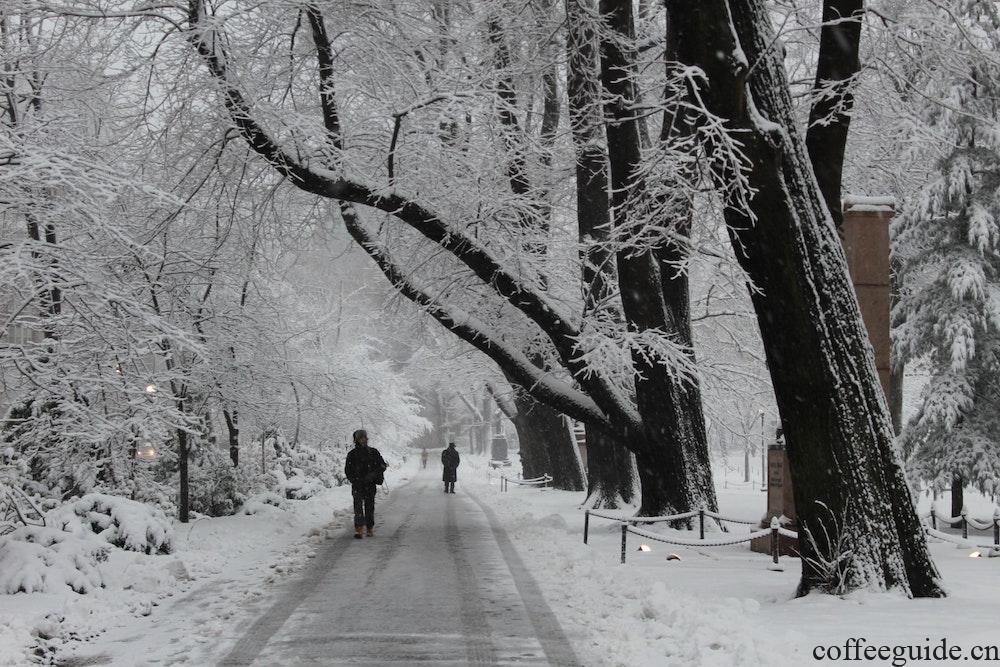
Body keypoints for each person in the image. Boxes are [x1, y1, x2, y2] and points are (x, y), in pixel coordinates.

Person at [344, 429, 387, 538]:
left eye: (365, 437)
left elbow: (382, 466)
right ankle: (358, 529)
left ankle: (369, 528)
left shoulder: (373, 452)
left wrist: (373, 475)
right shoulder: (352, 454)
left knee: (369, 507)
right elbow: (348, 470)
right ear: (357, 440)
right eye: (362, 437)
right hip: (357, 485)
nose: (365, 439)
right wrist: (354, 479)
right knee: (358, 507)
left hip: (370, 484)